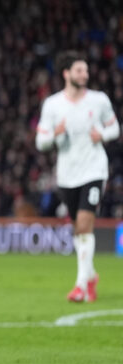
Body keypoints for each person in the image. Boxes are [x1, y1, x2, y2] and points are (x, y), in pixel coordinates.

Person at [36, 51, 120, 303]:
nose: (85, 74)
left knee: (84, 224)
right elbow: (41, 142)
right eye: (80, 70)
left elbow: (115, 127)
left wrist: (103, 135)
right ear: (66, 73)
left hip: (94, 170)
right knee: (78, 229)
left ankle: (80, 285)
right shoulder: (52, 104)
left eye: (86, 70)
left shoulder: (99, 100)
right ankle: (91, 275)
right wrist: (54, 135)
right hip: (67, 175)